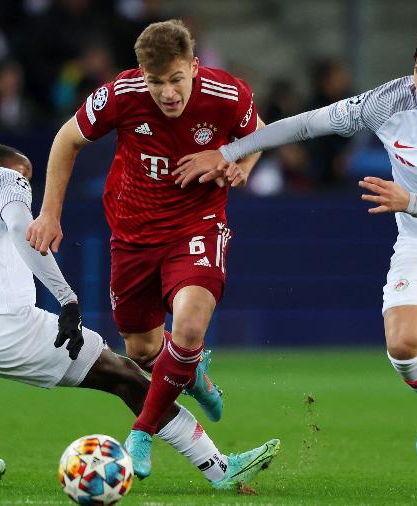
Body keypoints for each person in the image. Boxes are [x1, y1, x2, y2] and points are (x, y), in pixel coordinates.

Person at [175, 21, 417, 497]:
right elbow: (310, 123)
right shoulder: (392, 99)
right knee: (402, 344)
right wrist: (228, 150)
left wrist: (406, 201)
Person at [0, 143, 279, 490]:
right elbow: (23, 231)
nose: (28, 185)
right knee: (124, 376)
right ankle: (219, 468)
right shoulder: (0, 180)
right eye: (25, 176)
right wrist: (66, 298)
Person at [25, 20, 266, 478]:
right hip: (133, 233)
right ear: (141, 74)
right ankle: (192, 371)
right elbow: (66, 140)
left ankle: (141, 432)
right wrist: (50, 214)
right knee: (140, 350)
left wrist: (241, 161)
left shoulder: (226, 93)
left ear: (195, 67)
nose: (168, 93)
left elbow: (260, 132)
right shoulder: (121, 94)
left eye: (176, 79)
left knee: (191, 326)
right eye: (157, 82)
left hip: (198, 224)